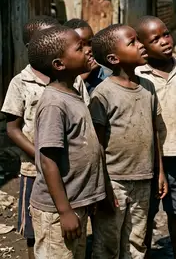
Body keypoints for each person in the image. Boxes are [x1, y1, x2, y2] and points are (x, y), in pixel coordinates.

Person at [89, 24, 168, 259]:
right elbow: (96, 145)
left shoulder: (148, 88)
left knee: (136, 243)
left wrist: (160, 172)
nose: (141, 45)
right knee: (107, 245)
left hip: (143, 179)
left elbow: (154, 133)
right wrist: (101, 186)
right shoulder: (103, 94)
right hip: (114, 182)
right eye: (132, 42)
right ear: (114, 58)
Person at [28, 26, 106, 259]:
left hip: (75, 201)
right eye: (80, 48)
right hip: (57, 209)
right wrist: (64, 211)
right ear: (59, 64)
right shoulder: (54, 103)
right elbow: (48, 160)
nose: (88, 50)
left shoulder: (72, 92)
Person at [136, 16, 176, 259]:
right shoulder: (139, 73)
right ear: (142, 46)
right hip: (148, 157)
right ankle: (143, 253)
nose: (164, 41)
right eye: (155, 39)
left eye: (165, 34)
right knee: (146, 210)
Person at [1, 16, 58, 259]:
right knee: (33, 230)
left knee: (62, 221)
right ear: (31, 47)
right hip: (33, 169)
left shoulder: (69, 78)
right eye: (48, 41)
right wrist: (39, 156)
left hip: (66, 168)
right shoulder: (21, 82)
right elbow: (12, 129)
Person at [64, 18, 111, 93]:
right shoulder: (62, 78)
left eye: (90, 43)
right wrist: (81, 79)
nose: (88, 50)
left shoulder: (106, 76)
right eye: (80, 46)